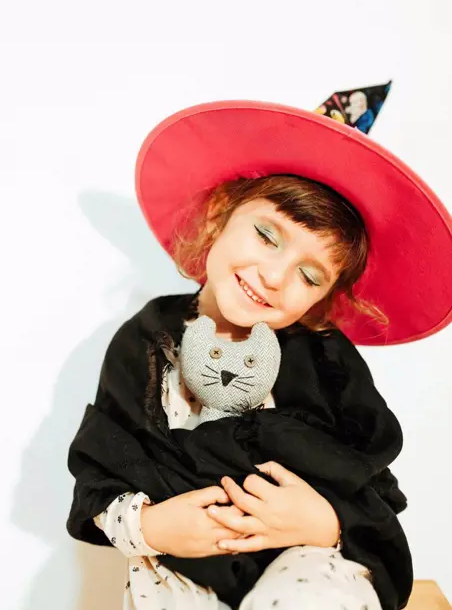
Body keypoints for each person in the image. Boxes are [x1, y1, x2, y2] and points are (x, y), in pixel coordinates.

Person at [66, 99, 452, 610]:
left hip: (311, 564)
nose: (274, 276)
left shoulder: (327, 363)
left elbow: (373, 485)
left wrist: (328, 522)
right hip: (178, 575)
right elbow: (101, 469)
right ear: (221, 215)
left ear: (325, 299)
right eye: (268, 236)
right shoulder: (147, 343)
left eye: (309, 275)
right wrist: (152, 526)